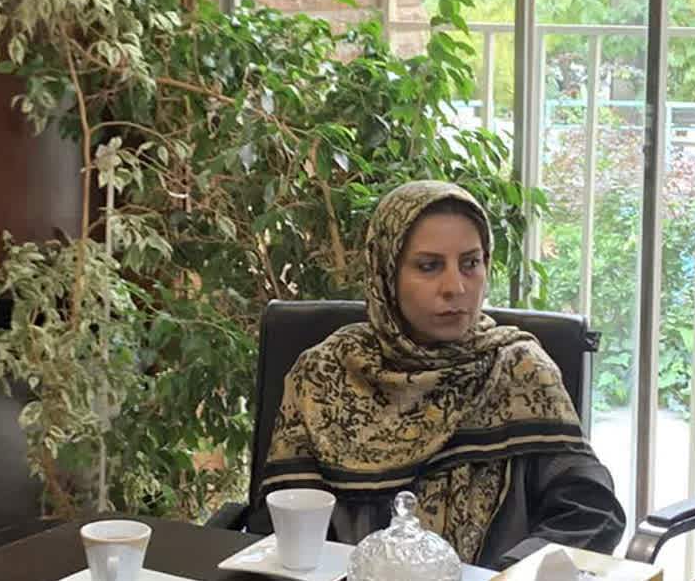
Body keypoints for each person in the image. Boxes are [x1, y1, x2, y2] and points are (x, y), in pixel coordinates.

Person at [257, 180, 626, 569]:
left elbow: (590, 513)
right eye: (429, 266)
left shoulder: (518, 369)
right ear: (386, 275)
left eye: (471, 263)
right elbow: (282, 521)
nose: (456, 287)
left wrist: (509, 574)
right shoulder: (324, 373)